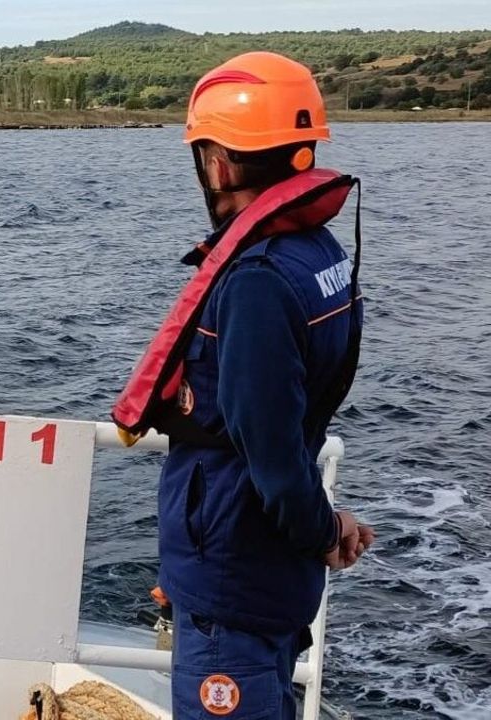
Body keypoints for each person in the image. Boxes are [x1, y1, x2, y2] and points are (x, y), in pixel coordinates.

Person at [112, 52, 374, 719]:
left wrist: (324, 530)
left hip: (235, 577)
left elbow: (273, 456)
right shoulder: (319, 254)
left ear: (219, 165)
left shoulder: (257, 281)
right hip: (266, 571)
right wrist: (323, 524)